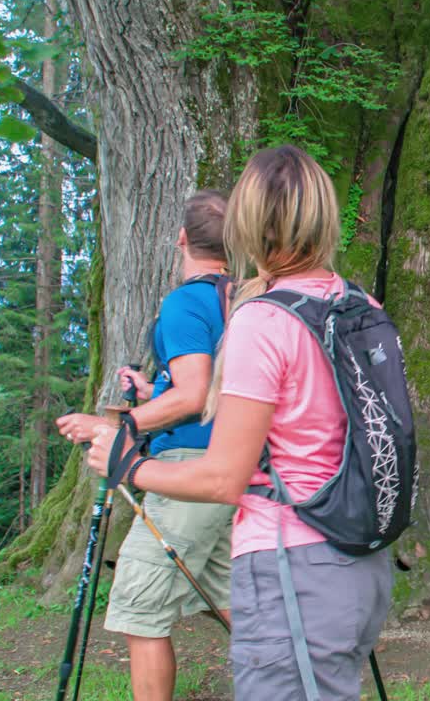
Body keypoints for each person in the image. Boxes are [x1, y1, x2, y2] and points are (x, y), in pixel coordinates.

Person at [86, 145, 392, 701]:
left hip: (295, 562)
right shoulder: (359, 305)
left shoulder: (265, 320)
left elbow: (222, 479)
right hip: (360, 558)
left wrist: (128, 464)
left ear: (249, 225)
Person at [57, 190, 234, 701]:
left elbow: (196, 393)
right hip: (235, 463)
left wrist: (122, 427)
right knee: (231, 595)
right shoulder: (239, 297)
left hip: (188, 470)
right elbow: (208, 384)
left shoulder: (185, 302)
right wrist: (152, 389)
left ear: (181, 238)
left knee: (140, 605)